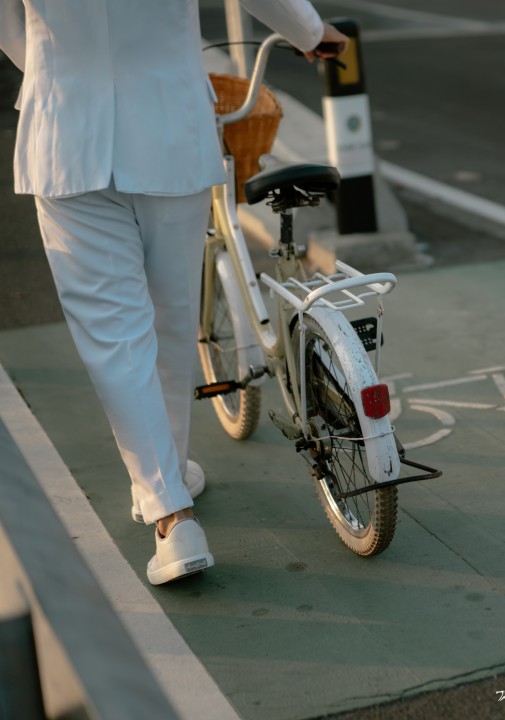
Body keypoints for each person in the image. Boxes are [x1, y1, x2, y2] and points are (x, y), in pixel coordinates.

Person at [0, 1, 347, 585]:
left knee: (114, 334)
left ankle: (169, 509)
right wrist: (311, 31)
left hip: (64, 128)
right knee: (172, 315)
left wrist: (58, 67)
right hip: (169, 124)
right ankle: (169, 482)